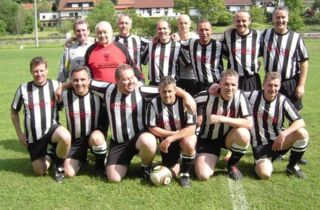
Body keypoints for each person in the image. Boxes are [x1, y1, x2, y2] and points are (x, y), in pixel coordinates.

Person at [11, 57, 71, 183]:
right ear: (31, 72)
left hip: (52, 128)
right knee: (40, 171)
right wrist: (19, 134)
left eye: (42, 70)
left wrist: (63, 86)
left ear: (47, 70)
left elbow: (74, 83)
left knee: (65, 137)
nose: (39, 74)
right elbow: (14, 112)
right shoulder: (23, 89)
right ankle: (51, 154)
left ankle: (59, 166)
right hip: (34, 137)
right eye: (36, 71)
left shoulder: (55, 85)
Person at [246, 72, 309, 179]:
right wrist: (216, 88)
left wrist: (284, 133)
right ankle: (261, 163)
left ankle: (292, 166)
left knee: (302, 133)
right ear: (263, 84)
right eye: (269, 85)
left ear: (279, 86)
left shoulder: (282, 100)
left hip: (278, 142)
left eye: (276, 86)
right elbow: (234, 93)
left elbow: (300, 121)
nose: (273, 88)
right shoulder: (253, 95)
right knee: (265, 174)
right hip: (260, 145)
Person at [194, 69, 252, 180]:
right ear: (219, 83)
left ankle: (232, 164)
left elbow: (249, 123)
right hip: (208, 139)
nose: (229, 88)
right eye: (226, 84)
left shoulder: (240, 96)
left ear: (237, 85)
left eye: (233, 85)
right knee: (203, 175)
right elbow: (190, 104)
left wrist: (221, 119)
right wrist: (199, 114)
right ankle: (200, 157)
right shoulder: (206, 96)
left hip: (228, 138)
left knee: (244, 134)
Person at [146, 76, 197, 187]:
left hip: (184, 136)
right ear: (159, 91)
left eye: (170, 91)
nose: (167, 94)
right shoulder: (153, 103)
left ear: (175, 90)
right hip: (168, 140)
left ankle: (185, 175)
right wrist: (172, 135)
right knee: (170, 172)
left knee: (188, 143)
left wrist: (171, 138)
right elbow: (152, 127)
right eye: (164, 91)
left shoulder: (186, 102)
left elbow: (191, 128)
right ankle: (182, 161)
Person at [61, 66, 107, 177]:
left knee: (97, 138)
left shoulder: (98, 94)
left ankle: (100, 166)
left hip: (93, 137)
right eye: (75, 80)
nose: (79, 83)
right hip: (75, 140)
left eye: (83, 79)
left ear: (89, 80)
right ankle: (80, 159)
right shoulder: (65, 95)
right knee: (68, 173)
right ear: (71, 81)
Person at [261, 6, 309, 111]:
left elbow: (304, 62)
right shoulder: (264, 35)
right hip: (271, 83)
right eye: (277, 17)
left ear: (288, 18)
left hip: (290, 83)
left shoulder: (296, 38)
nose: (280, 20)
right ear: (273, 18)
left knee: (294, 115)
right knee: (270, 114)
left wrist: (301, 85)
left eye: (283, 17)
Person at [221, 11, 262, 91]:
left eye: (244, 20)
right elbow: (220, 50)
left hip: (252, 79)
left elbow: (263, 52)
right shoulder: (228, 34)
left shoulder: (258, 35)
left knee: (253, 102)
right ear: (234, 22)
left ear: (249, 21)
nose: (241, 23)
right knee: (234, 103)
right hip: (233, 80)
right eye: (238, 21)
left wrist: (256, 62)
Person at [180, 20, 223, 93]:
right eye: (201, 30)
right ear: (197, 32)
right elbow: (178, 44)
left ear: (211, 30)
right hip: (198, 84)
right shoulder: (192, 43)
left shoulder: (218, 45)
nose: (204, 33)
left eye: (207, 30)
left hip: (215, 84)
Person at [141, 19, 181, 85]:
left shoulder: (178, 46)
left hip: (170, 84)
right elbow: (143, 62)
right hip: (153, 84)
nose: (162, 31)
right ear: (156, 31)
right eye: (159, 29)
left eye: (164, 28)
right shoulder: (150, 45)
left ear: (169, 30)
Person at [172, 14, 199, 96]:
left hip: (192, 77)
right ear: (177, 24)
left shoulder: (195, 38)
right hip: (177, 77)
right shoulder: (172, 37)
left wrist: (179, 42)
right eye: (181, 23)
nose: (183, 25)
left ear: (190, 24)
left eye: (185, 23)